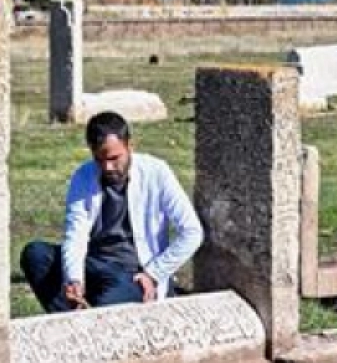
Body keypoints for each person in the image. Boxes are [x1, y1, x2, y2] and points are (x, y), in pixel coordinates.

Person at [20, 111, 204, 314]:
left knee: (109, 301)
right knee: (35, 254)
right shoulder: (83, 176)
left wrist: (153, 274)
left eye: (114, 158)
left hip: (134, 272)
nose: (108, 167)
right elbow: (76, 234)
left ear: (129, 146)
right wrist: (74, 278)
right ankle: (72, 317)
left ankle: (86, 321)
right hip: (95, 263)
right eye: (99, 160)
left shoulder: (156, 172)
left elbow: (192, 232)